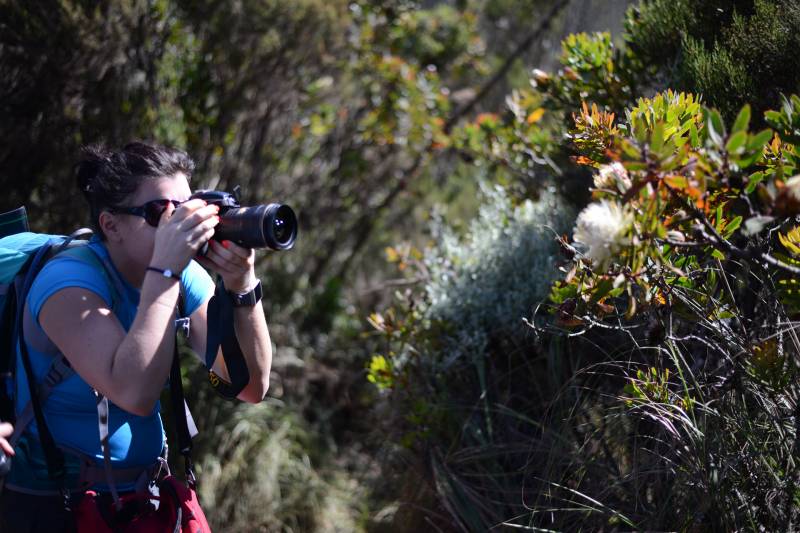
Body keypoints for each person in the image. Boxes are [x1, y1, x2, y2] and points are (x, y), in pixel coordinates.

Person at [0, 142, 272, 531]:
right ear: (111, 225)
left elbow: (249, 386)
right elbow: (134, 393)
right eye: (160, 212)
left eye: (188, 208)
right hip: (56, 507)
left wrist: (242, 285)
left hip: (145, 497)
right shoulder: (68, 283)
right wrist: (164, 272)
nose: (179, 225)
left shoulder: (180, 275)